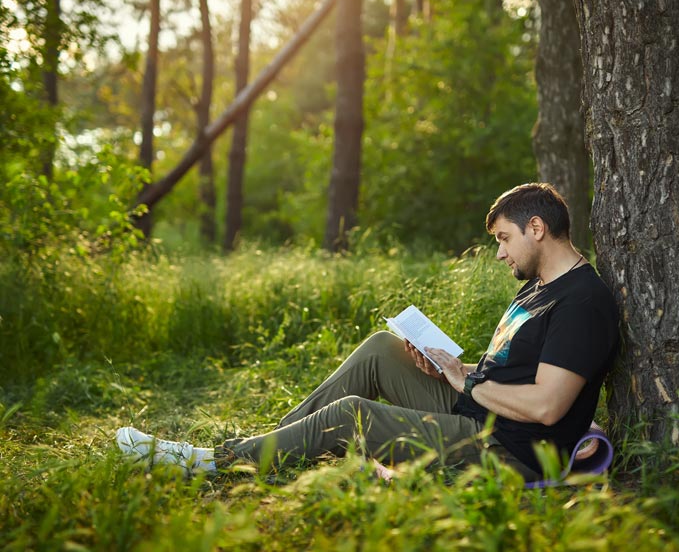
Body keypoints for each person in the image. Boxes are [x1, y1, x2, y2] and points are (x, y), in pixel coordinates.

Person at [117, 183, 620, 482]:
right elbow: (515, 373)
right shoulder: (537, 286)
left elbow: (547, 406)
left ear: (537, 228)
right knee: (383, 348)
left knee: (350, 416)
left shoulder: (581, 302)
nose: (499, 253)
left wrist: (466, 381)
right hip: (479, 412)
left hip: (507, 449)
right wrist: (452, 369)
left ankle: (210, 463)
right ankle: (268, 445)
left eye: (504, 239)